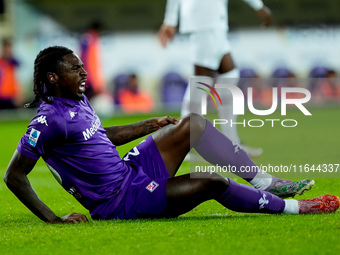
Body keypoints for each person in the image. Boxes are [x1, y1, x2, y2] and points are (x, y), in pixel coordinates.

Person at [4, 46, 338, 224]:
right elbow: (14, 175)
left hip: (129, 172)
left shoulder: (77, 99)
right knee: (211, 181)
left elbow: (98, 136)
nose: (84, 71)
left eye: (82, 66)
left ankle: (265, 182)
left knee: (193, 123)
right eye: (75, 68)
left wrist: (146, 127)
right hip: (121, 202)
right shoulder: (47, 122)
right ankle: (294, 208)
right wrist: (53, 218)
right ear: (52, 77)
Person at [158, 0, 273, 158]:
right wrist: (259, 6)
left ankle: (232, 143)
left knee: (228, 76)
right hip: (205, 21)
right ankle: (180, 145)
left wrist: (169, 21)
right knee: (201, 83)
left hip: (211, 21)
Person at [0, 39, 23, 109]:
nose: (8, 50)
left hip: (11, 96)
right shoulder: (1, 62)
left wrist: (19, 94)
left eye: (9, 48)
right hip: (2, 96)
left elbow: (17, 80)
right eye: (6, 48)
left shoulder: (14, 63)